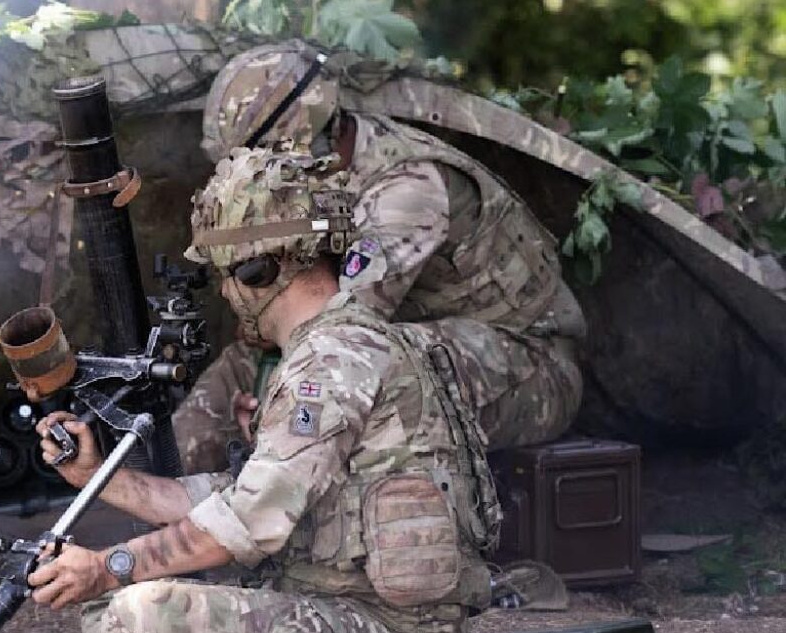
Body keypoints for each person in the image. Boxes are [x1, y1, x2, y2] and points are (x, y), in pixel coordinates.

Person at [26, 148, 501, 633]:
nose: (224, 291)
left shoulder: (333, 362)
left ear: (260, 270)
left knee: (137, 612)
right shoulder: (336, 347)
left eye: (227, 271)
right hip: (342, 624)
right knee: (112, 608)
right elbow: (234, 497)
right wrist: (98, 477)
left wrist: (107, 564)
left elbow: (243, 523)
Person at [175, 39, 587, 474]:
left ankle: (258, 502)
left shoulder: (407, 190)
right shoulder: (317, 181)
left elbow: (341, 331)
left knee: (371, 368)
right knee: (238, 368)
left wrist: (271, 413)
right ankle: (151, 483)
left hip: (532, 369)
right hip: (398, 340)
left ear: (310, 144)